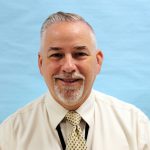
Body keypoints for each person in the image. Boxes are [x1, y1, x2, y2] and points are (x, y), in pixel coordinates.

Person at [0, 11, 149, 150]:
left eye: (79, 54)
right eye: (57, 55)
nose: (68, 67)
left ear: (98, 62)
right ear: (40, 63)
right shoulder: (11, 134)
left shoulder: (136, 126)